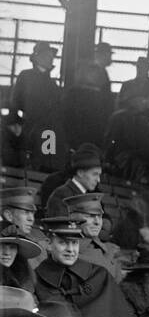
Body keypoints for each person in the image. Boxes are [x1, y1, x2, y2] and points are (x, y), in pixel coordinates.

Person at [32, 217, 144, 317]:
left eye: (74, 243)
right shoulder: (35, 279)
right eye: (63, 243)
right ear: (48, 244)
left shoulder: (99, 275)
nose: (70, 250)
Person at [9, 41, 61, 171]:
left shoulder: (52, 84)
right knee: (28, 158)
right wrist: (16, 122)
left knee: (47, 159)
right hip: (30, 125)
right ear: (37, 58)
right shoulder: (25, 76)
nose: (50, 59)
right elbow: (15, 101)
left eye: (51, 57)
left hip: (49, 130)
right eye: (47, 56)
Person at [64, 191, 121, 283]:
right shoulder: (63, 251)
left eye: (100, 216)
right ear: (73, 218)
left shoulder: (110, 250)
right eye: (90, 216)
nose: (97, 222)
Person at [45, 143, 103, 218]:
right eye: (94, 174)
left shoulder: (87, 196)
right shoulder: (62, 195)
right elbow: (61, 227)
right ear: (80, 173)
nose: (98, 180)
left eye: (99, 175)